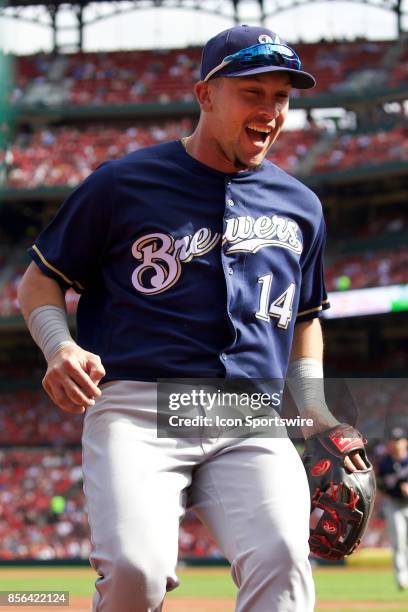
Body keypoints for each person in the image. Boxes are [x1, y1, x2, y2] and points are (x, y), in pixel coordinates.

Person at [18, 25, 367, 612]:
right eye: (252, 93)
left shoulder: (301, 205)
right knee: (136, 572)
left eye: (281, 97)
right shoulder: (121, 183)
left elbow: (306, 318)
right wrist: (59, 346)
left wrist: (313, 406)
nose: (270, 111)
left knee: (284, 561)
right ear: (206, 95)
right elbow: (40, 279)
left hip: (250, 414)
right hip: (139, 408)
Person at [377, 427, 408, 590]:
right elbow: (381, 487)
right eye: (393, 441)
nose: (396, 444)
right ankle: (401, 576)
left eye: (399, 440)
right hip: (394, 504)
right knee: (398, 542)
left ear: (405, 442)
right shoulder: (384, 463)